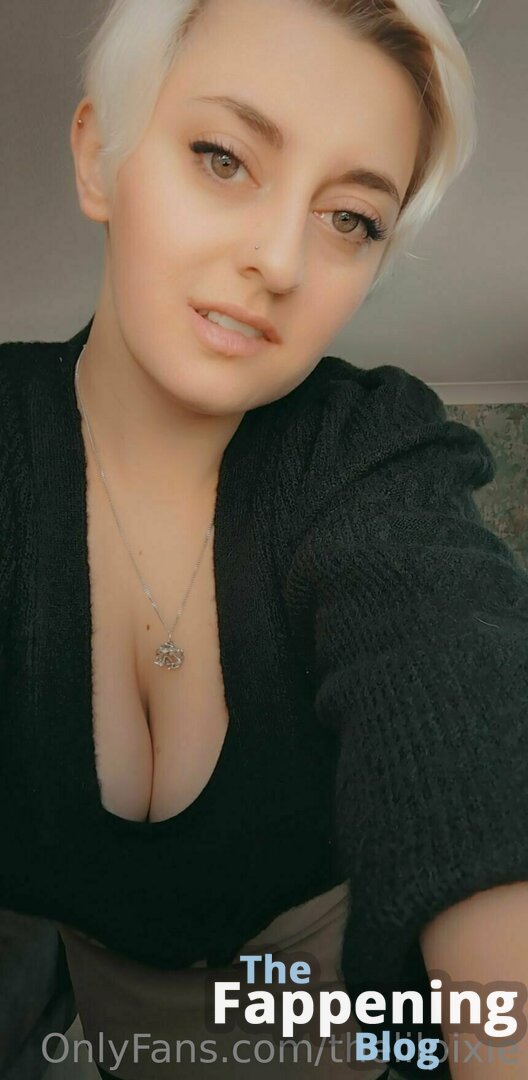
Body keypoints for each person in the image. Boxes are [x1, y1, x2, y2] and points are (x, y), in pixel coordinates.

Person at [1, 0, 527, 1078]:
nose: (282, 260)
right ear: (99, 157)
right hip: (119, 1028)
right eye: (223, 157)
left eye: (351, 219)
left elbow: (461, 699)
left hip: (338, 1018)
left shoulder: (370, 451)